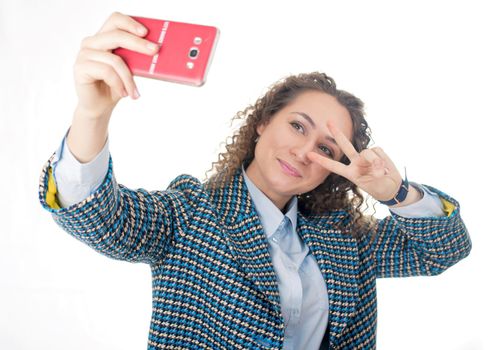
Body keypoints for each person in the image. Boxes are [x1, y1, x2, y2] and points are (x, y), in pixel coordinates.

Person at [38, 12, 471, 350]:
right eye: (298, 126)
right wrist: (92, 114)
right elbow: (96, 216)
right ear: (263, 122)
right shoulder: (190, 212)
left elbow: (444, 251)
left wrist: (395, 193)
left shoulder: (344, 237)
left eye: (326, 149)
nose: (305, 152)